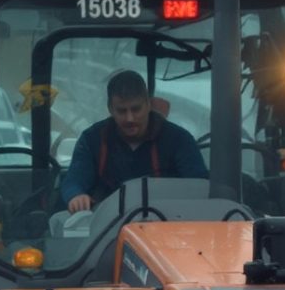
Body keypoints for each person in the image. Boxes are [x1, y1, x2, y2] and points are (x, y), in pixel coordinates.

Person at [59, 70, 207, 213]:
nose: (130, 118)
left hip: (167, 224)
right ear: (110, 109)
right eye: (122, 111)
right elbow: (74, 180)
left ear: (149, 105)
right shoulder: (92, 139)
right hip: (104, 230)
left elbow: (200, 187)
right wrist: (76, 195)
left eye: (136, 109)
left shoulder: (179, 140)